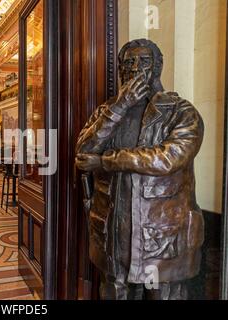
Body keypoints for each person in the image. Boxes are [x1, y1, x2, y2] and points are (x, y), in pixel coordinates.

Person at [75, 39, 205, 300]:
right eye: (129, 63)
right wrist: (120, 106)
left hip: (161, 235)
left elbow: (167, 159)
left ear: (157, 68)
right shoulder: (108, 110)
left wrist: (105, 161)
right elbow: (83, 152)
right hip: (113, 234)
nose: (136, 68)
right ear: (122, 71)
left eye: (144, 62)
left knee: (164, 294)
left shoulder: (181, 112)